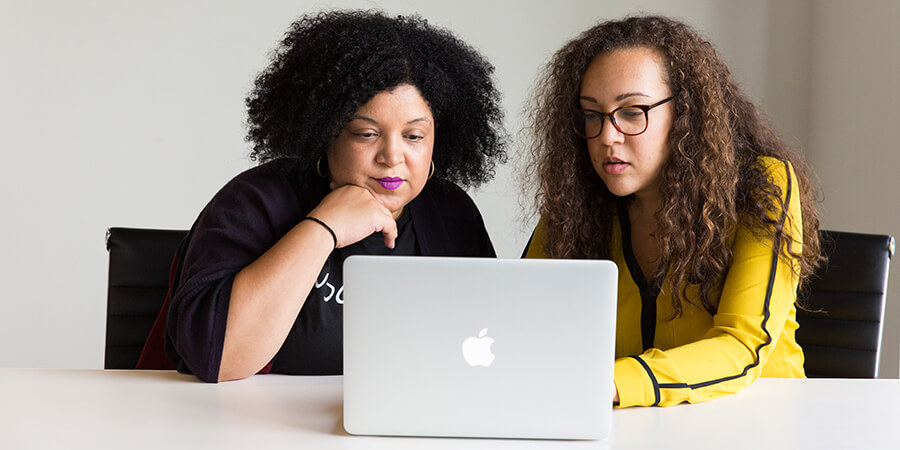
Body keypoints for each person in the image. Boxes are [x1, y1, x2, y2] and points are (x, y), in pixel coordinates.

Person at [136, 10, 506, 382]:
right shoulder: (255, 201)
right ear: (325, 131)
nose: (392, 156)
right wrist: (323, 227)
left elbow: (495, 344)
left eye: (413, 136)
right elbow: (215, 359)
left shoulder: (451, 213)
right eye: (366, 133)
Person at [522, 16, 822, 407]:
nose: (606, 135)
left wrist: (609, 383)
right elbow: (522, 316)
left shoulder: (761, 187)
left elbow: (741, 346)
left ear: (685, 114)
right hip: (624, 426)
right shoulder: (577, 199)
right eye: (592, 115)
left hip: (758, 422)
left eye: (632, 112)